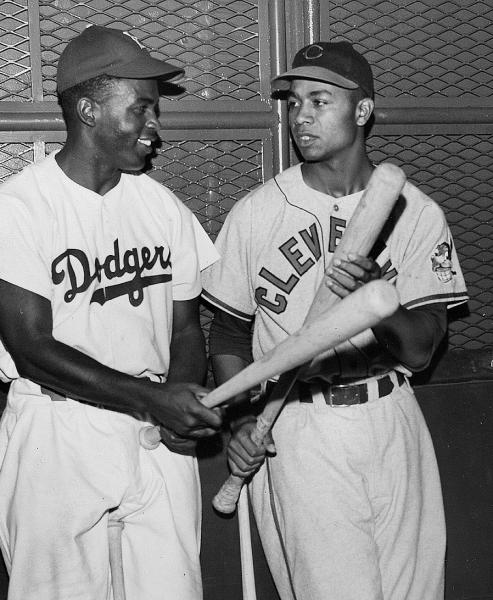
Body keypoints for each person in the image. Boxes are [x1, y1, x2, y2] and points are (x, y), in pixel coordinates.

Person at [0, 24, 223, 600]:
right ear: (88, 109)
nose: (155, 126)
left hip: (153, 430)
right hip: (58, 431)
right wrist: (156, 401)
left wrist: (176, 403)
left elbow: (185, 327)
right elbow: (34, 351)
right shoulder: (18, 209)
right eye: (141, 109)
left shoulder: (162, 208)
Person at [202, 41, 468, 600]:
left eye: (319, 100)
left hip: (391, 414)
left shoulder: (416, 212)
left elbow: (421, 351)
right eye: (295, 101)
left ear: (362, 111)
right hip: (299, 423)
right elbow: (228, 333)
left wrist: (379, 296)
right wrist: (238, 423)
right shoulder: (258, 212)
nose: (301, 116)